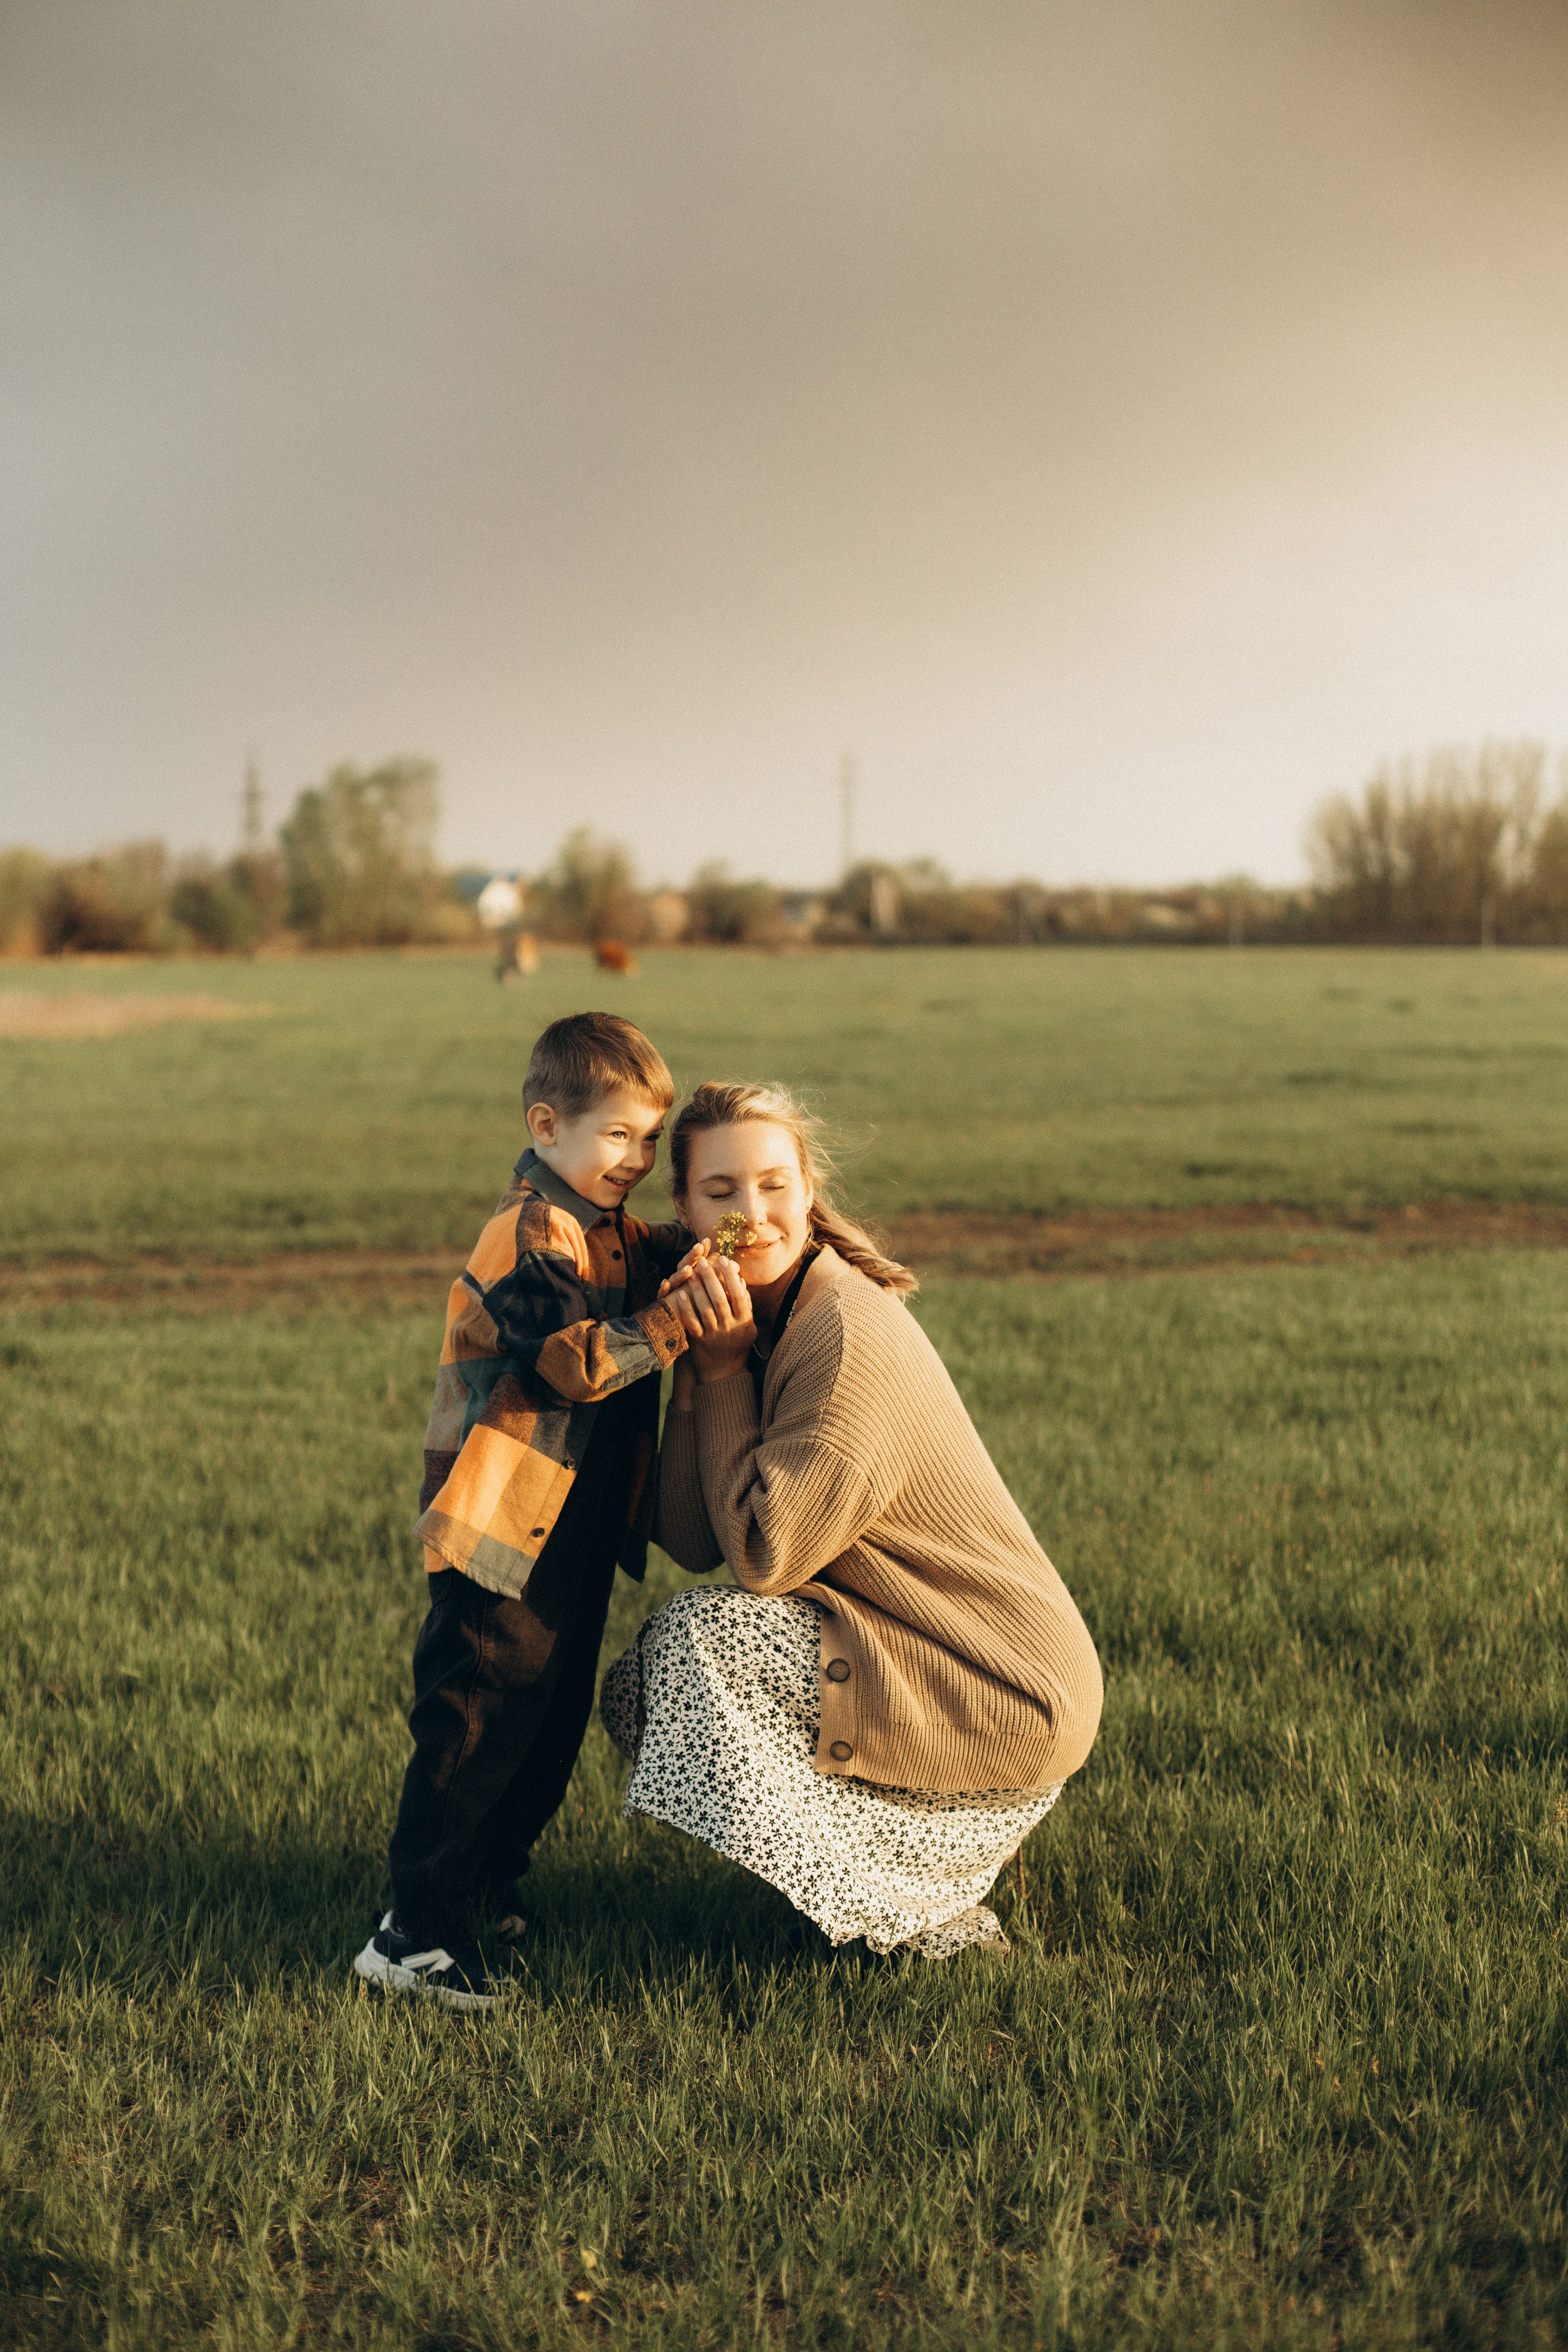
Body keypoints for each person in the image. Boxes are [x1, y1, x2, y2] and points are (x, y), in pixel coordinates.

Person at [600, 1080, 1103, 1959]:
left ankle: (914, 1915)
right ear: (683, 1209)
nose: (752, 1214)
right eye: (721, 1192)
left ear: (809, 1192)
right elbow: (689, 1534)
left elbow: (762, 1557)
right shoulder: (757, 1314)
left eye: (774, 1186)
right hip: (914, 1650)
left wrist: (722, 1373)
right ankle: (904, 1890)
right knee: (646, 1683)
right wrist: (697, 1365)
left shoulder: (840, 1333)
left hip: (1007, 1686)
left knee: (695, 1648)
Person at [355, 1012, 689, 2008]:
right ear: (548, 1127)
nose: (638, 1159)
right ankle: (413, 1934)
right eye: (617, 1135)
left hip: (568, 1536)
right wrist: (674, 1320)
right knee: (474, 1725)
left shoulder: (612, 1229)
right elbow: (569, 1362)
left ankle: (484, 1888)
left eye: (652, 1139)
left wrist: (738, 1234)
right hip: (501, 1529)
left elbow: (681, 1248)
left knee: (544, 1729)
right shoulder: (532, 1234)